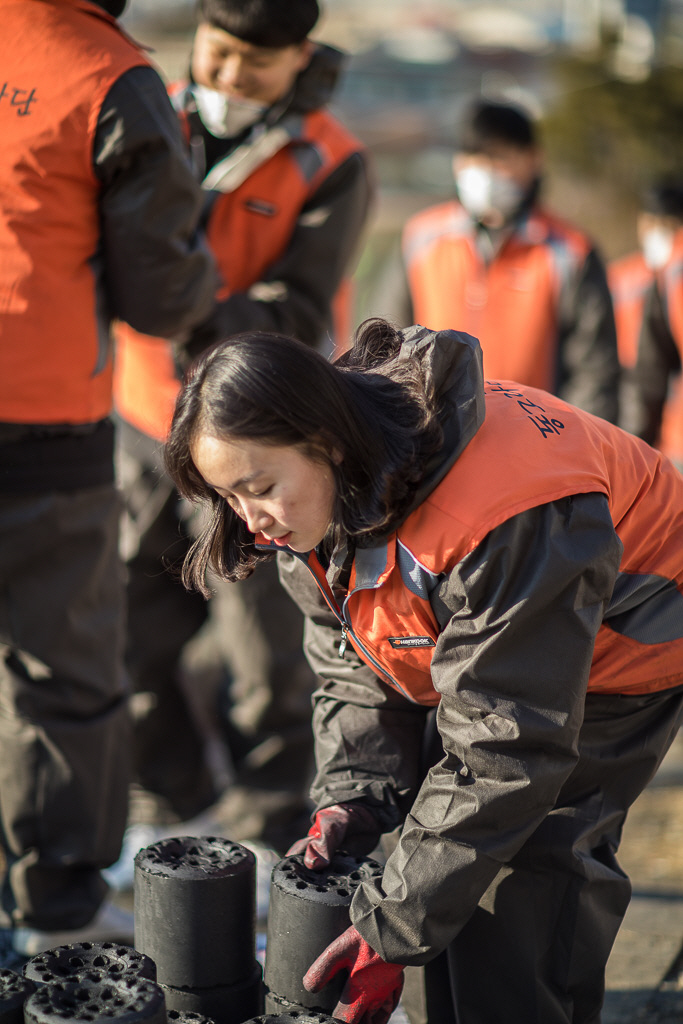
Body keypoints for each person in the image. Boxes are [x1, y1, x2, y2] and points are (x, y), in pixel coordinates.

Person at [165, 318, 683, 1024]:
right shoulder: (325, 495)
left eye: (257, 486)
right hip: (505, 638)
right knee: (441, 857)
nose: (251, 522)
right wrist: (353, 793)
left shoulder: (503, 513)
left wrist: (391, 929)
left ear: (323, 439)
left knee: (522, 874)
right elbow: (356, 660)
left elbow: (507, 748)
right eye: (227, 497)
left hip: (624, 638)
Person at [111, 0, 373, 851]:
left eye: (254, 65)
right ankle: (177, 810)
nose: (227, 78)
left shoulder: (330, 162)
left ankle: (266, 837)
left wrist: (187, 301)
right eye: (216, 55)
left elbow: (296, 313)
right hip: (134, 421)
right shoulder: (146, 112)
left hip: (250, 445)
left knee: (261, 662)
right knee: (121, 639)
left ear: (299, 57)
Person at [0, 0, 216, 960]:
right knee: (66, 677)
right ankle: (56, 912)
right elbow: (160, 295)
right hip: (42, 425)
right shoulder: (112, 79)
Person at [374, 97, 620, 423]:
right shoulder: (421, 238)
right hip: (428, 441)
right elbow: (384, 343)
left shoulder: (570, 253)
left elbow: (594, 372)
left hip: (531, 444)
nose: (485, 172)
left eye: (500, 158)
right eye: (475, 158)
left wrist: (570, 449)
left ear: (534, 160)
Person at [609, 180, 683, 471]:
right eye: (650, 221)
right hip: (627, 401)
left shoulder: (672, 276)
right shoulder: (620, 277)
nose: (657, 230)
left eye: (667, 222)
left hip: (668, 422)